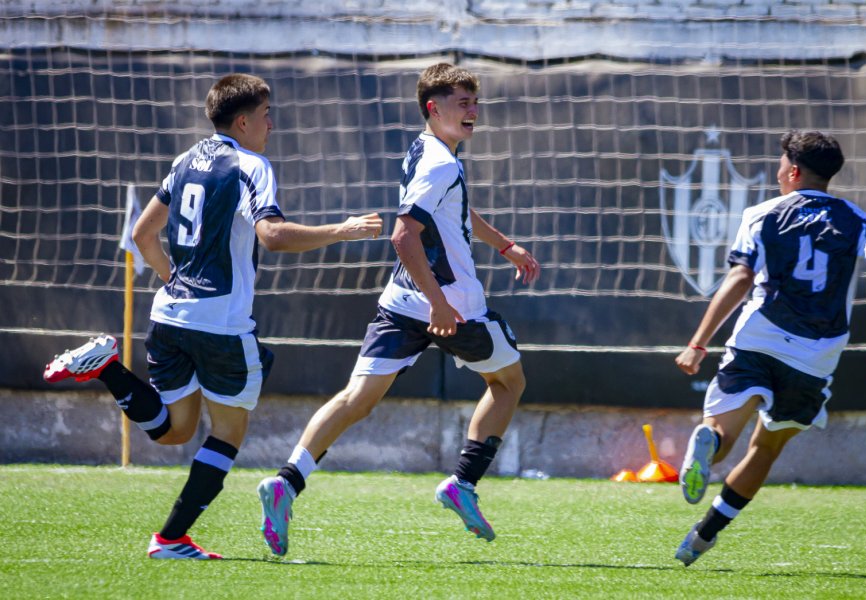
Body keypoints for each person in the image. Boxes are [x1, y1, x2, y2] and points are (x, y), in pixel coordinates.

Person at [42, 73, 383, 560]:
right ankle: (170, 538)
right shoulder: (253, 165)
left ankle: (107, 368)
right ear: (242, 121)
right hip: (219, 324)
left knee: (175, 431)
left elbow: (143, 235)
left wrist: (176, 284)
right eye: (266, 114)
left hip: (170, 316)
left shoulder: (185, 160)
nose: (272, 123)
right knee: (227, 432)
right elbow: (273, 235)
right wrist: (344, 229)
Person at [255, 63, 541, 557]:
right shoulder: (442, 163)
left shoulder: (424, 148)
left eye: (475, 102)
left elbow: (452, 209)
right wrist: (440, 305)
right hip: (452, 306)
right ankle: (463, 484)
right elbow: (403, 234)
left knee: (356, 399)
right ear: (434, 108)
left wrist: (505, 245)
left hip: (400, 301)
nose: (472, 111)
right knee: (510, 382)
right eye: (462, 103)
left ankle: (286, 481)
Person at [673, 130, 866, 566]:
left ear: (793, 171)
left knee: (724, 430)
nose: (777, 174)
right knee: (767, 447)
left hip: (760, 334)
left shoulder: (761, 213)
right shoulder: (862, 220)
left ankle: (709, 445)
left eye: (780, 166)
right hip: (816, 353)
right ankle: (704, 535)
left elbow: (739, 279)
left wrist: (698, 342)